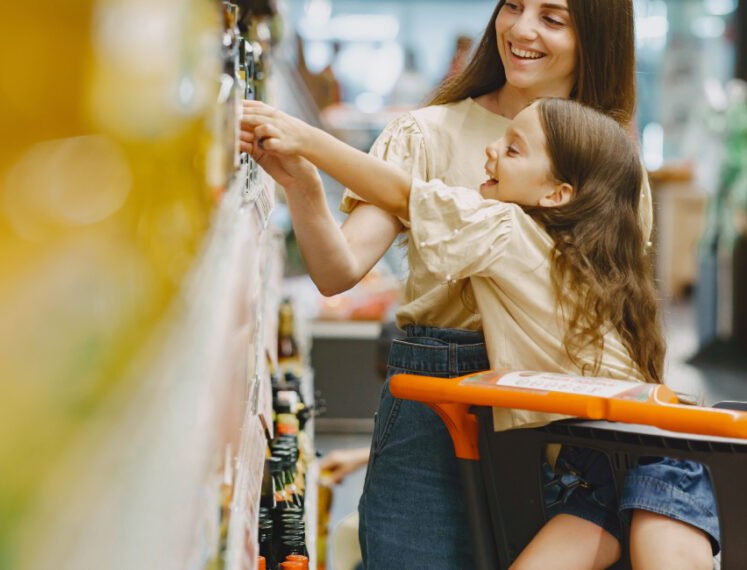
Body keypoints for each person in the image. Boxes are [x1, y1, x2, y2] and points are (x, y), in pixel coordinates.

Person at [240, 95, 719, 570]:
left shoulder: (510, 231)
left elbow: (403, 192)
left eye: (513, 149)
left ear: (556, 193)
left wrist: (304, 138)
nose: (490, 150)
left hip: (655, 465)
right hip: (597, 471)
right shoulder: (587, 257)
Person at [262, 1, 654, 567]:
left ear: (596, 35)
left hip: (567, 424)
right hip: (434, 404)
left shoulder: (610, 158)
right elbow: (338, 268)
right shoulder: (428, 131)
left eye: (553, 18)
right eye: (514, 6)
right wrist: (302, 187)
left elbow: (618, 303)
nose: (521, 29)